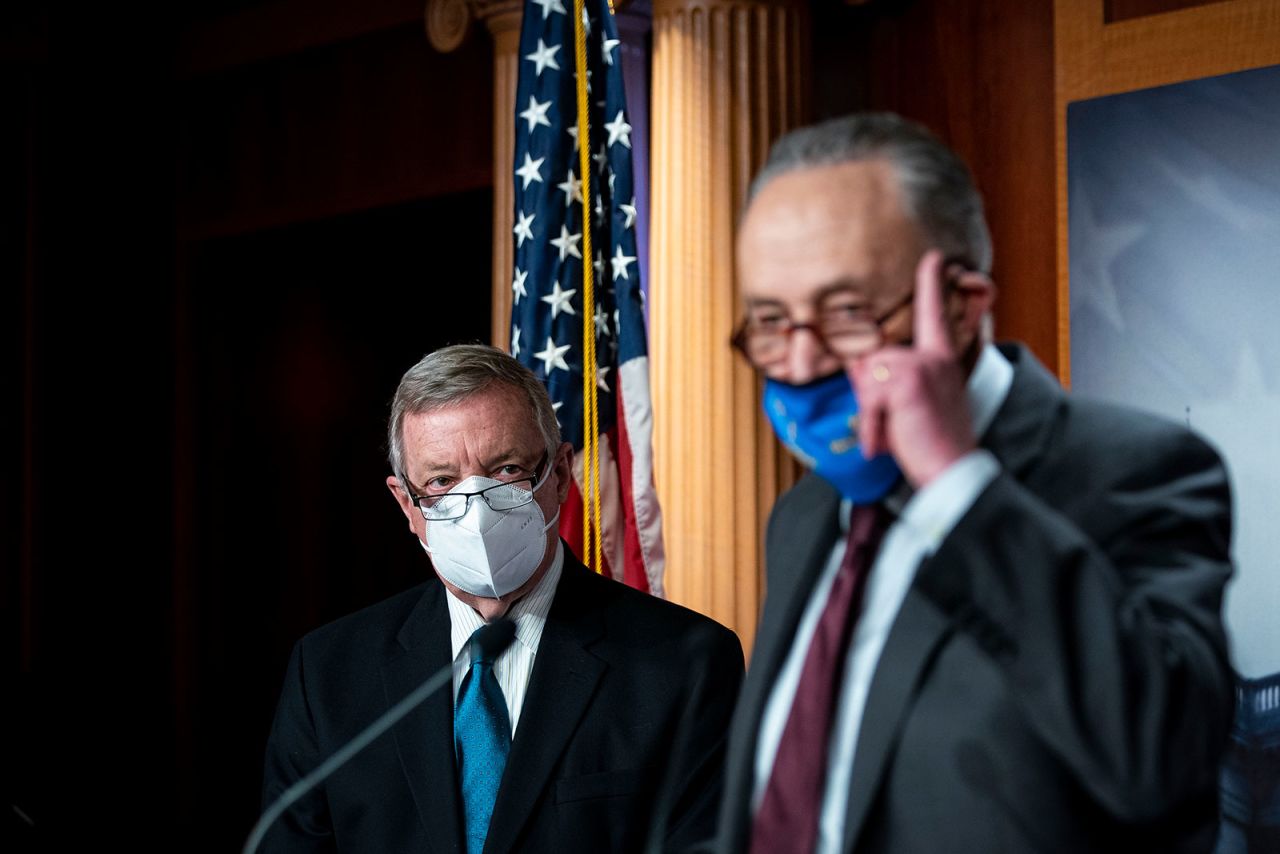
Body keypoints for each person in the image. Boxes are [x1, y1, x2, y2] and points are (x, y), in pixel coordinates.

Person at [715, 113, 1234, 853]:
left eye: (847, 312)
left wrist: (959, 486)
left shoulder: (1141, 469)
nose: (799, 366)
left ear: (959, 309)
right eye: (771, 321)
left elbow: (1163, 765)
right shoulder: (805, 514)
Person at [261, 344, 744, 853]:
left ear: (558, 475)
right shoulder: (329, 673)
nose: (476, 507)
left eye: (507, 469)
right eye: (442, 481)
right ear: (408, 504)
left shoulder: (684, 663)